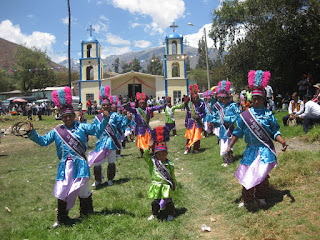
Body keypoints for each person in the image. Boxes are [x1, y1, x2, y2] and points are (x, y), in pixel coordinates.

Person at [26, 86, 110, 228]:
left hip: (80, 165)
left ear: (74, 115)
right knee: (63, 190)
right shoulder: (57, 131)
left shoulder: (82, 127)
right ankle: (62, 218)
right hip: (65, 166)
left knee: (83, 190)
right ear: (61, 117)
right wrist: (32, 133)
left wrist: (105, 119)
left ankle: (87, 215)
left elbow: (96, 130)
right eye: (65, 116)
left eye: (70, 115)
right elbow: (44, 141)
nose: (68, 118)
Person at [226, 70, 287, 208]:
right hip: (251, 150)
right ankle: (247, 198)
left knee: (262, 175)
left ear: (263, 99)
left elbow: (274, 131)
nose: (256, 101)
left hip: (265, 150)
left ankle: (261, 196)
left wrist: (282, 141)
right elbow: (238, 131)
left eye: (259, 98)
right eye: (254, 99)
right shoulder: (246, 115)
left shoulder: (268, 115)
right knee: (248, 173)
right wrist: (230, 146)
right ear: (251, 99)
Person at [89, 88, 131, 187]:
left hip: (112, 142)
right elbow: (94, 129)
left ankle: (110, 179)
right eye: (103, 105)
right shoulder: (97, 118)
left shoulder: (115, 116)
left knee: (111, 162)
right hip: (101, 143)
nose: (105, 106)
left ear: (110, 105)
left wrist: (128, 120)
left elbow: (122, 124)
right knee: (97, 163)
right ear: (101, 106)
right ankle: (98, 180)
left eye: (107, 105)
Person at [143, 126, 176, 221]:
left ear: (167, 154)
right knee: (155, 202)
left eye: (163, 154)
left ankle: (170, 214)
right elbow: (145, 155)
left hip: (166, 186)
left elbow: (172, 175)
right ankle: (154, 213)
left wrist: (173, 183)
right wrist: (149, 147)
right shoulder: (152, 162)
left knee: (168, 201)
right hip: (156, 185)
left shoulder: (170, 164)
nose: (161, 156)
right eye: (159, 154)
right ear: (155, 154)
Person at [124, 92, 165, 158]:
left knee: (150, 140)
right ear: (138, 104)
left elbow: (155, 107)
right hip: (140, 129)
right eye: (140, 103)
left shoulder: (148, 109)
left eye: (143, 103)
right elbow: (130, 109)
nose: (142, 104)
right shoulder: (136, 110)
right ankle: (142, 154)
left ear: (145, 103)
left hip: (147, 128)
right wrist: (126, 106)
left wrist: (163, 106)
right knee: (141, 142)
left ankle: (152, 151)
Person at [212, 80, 240, 166]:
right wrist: (216, 121)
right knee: (222, 144)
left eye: (225, 98)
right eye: (222, 98)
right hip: (222, 129)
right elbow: (216, 117)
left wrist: (228, 119)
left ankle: (229, 161)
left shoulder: (233, 106)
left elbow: (237, 115)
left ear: (228, 98)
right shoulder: (219, 107)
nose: (223, 100)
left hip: (230, 128)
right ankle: (225, 160)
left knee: (228, 144)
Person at [184, 84, 206, 155]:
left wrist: (199, 116)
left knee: (197, 136)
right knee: (189, 136)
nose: (195, 99)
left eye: (197, 98)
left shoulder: (201, 104)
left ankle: (196, 148)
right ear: (192, 98)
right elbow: (188, 114)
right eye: (194, 98)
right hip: (191, 123)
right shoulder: (189, 105)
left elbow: (204, 113)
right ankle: (187, 148)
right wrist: (186, 121)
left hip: (198, 122)